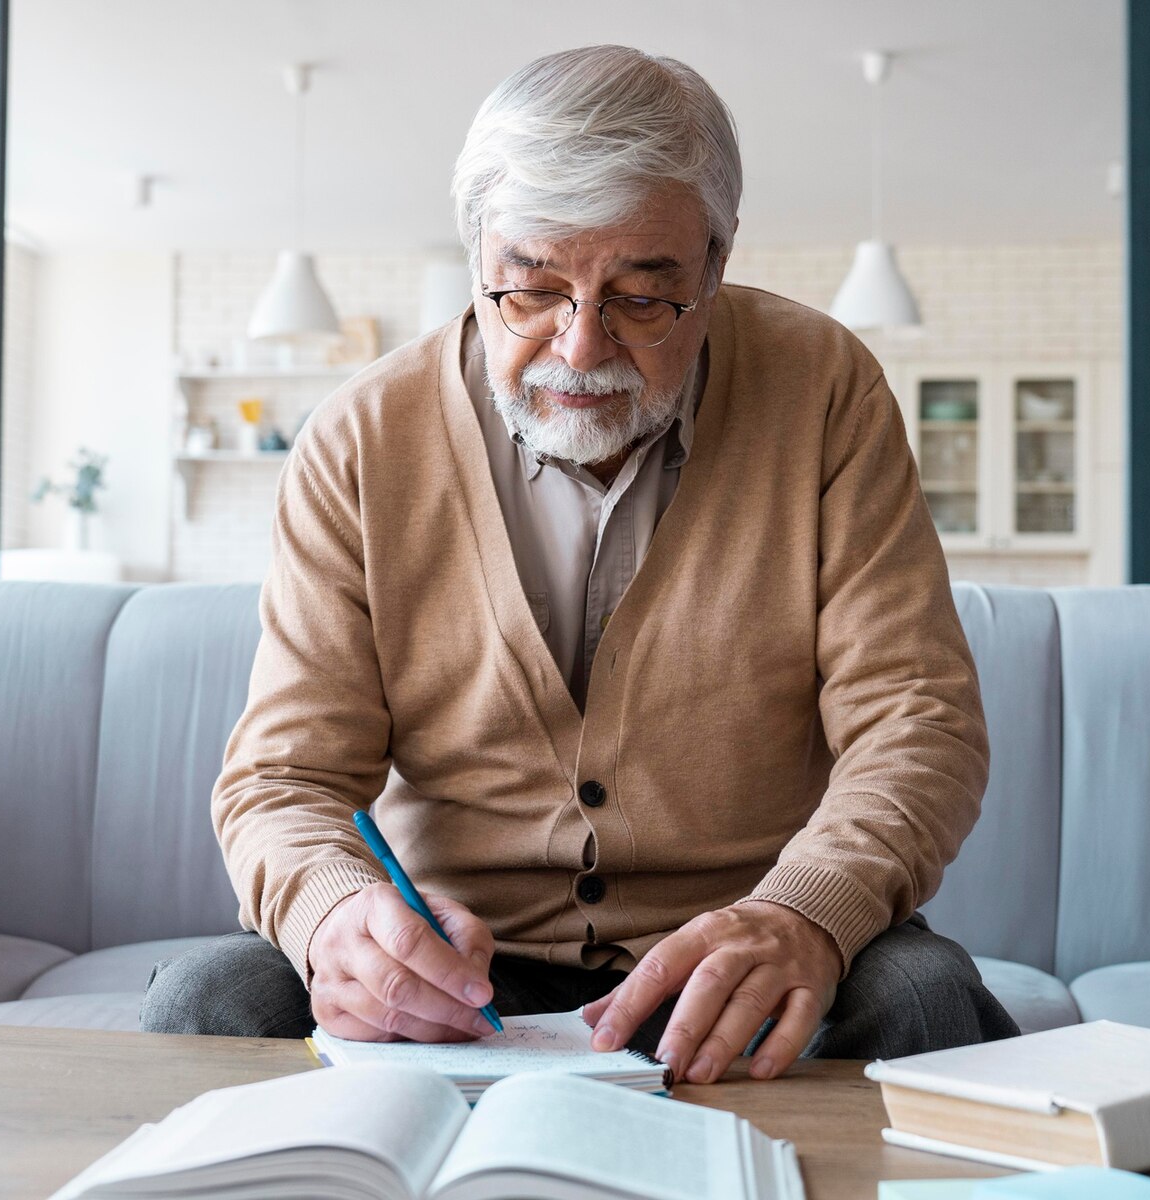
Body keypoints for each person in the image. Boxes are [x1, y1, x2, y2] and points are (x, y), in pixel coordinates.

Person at [142, 44, 1019, 1081]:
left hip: (737, 950)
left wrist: (802, 915)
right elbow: (282, 778)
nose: (580, 347)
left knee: (925, 999)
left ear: (717, 261)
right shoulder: (361, 439)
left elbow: (916, 722)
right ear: (479, 261)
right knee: (211, 1000)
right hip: (457, 966)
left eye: (644, 299)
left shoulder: (826, 393)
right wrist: (337, 917)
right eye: (530, 290)